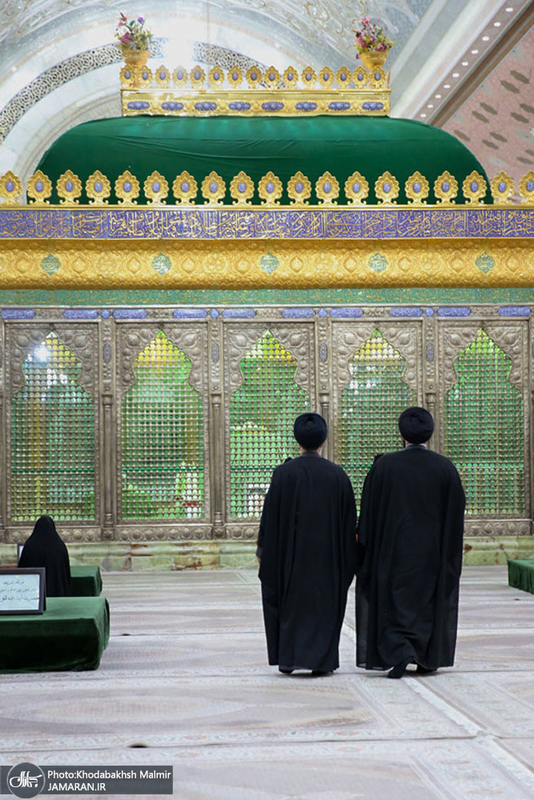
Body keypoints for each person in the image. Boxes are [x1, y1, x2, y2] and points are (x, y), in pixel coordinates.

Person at [356, 407, 465, 679]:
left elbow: (368, 513)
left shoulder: (384, 466)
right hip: (432, 553)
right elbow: (456, 516)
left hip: (392, 552)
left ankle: (399, 651)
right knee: (428, 599)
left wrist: (364, 550)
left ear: (401, 434)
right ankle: (426, 655)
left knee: (394, 600)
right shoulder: (445, 468)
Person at [257, 412, 357, 675]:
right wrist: (349, 562)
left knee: (291, 605)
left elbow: (269, 521)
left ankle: (289, 658)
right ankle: (321, 661)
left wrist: (264, 554)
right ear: (323, 441)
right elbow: (349, 527)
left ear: (297, 441)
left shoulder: (283, 474)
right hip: (328, 562)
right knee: (323, 607)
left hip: (290, 560)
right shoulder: (338, 476)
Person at [18, 515, 72, 597]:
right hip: (57, 593)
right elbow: (65, 573)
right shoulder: (59, 546)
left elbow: (22, 568)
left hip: (32, 594)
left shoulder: (30, 546)